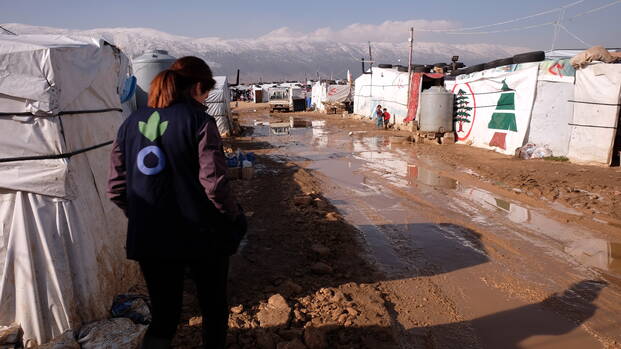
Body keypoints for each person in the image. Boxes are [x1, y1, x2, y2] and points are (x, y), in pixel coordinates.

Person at [107, 56, 246, 349]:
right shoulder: (199, 121)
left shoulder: (130, 124)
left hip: (151, 237)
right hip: (201, 235)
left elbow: (117, 187)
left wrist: (143, 216)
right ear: (197, 86)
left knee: (164, 318)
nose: (207, 97)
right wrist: (232, 217)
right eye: (206, 90)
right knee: (213, 308)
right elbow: (215, 184)